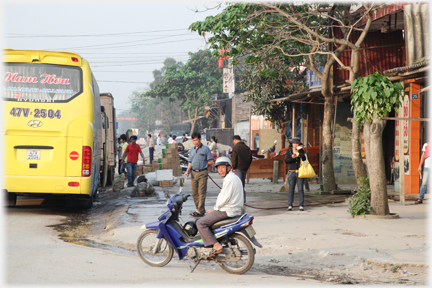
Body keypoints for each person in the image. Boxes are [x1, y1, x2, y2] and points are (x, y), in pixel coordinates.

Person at [196, 157, 244, 257]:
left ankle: (216, 245)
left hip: (228, 210)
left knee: (200, 223)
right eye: (218, 168)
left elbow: (224, 197)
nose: (220, 170)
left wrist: (216, 208)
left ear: (229, 167)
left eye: (223, 167)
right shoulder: (232, 177)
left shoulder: (229, 180)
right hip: (232, 209)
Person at [184, 132, 214, 217]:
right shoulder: (192, 150)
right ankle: (199, 209)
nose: (195, 142)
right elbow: (190, 162)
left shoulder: (205, 149)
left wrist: (204, 165)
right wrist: (187, 171)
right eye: (193, 140)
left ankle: (200, 210)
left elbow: (211, 161)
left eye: (196, 140)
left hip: (202, 173)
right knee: (195, 193)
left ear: (200, 139)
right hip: (193, 173)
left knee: (201, 192)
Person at [284, 137, 307, 211]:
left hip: (300, 172)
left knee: (300, 189)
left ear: (299, 144)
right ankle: (290, 205)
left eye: (296, 143)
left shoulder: (301, 151)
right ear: (292, 144)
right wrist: (292, 158)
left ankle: (301, 205)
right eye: (294, 143)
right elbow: (286, 161)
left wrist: (300, 151)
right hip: (291, 172)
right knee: (291, 189)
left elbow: (304, 160)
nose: (295, 145)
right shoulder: (289, 151)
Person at [231, 135, 252, 202]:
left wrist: (233, 167)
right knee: (242, 184)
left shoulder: (235, 147)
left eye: (233, 141)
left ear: (234, 140)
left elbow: (234, 159)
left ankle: (239, 199)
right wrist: (247, 166)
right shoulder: (247, 148)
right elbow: (250, 159)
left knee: (238, 184)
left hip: (238, 168)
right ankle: (243, 199)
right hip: (245, 168)